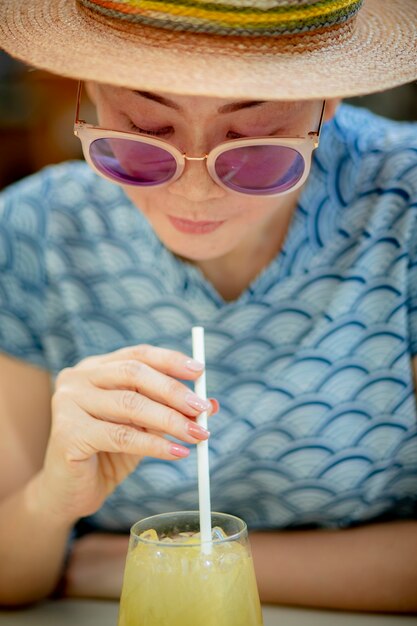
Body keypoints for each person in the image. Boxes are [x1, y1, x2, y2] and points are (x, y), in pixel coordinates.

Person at [0, 0, 416, 613]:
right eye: (144, 132)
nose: (195, 193)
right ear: (87, 91)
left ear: (330, 100)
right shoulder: (34, 231)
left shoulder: (402, 205)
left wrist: (118, 561)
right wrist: (52, 502)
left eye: (253, 144)